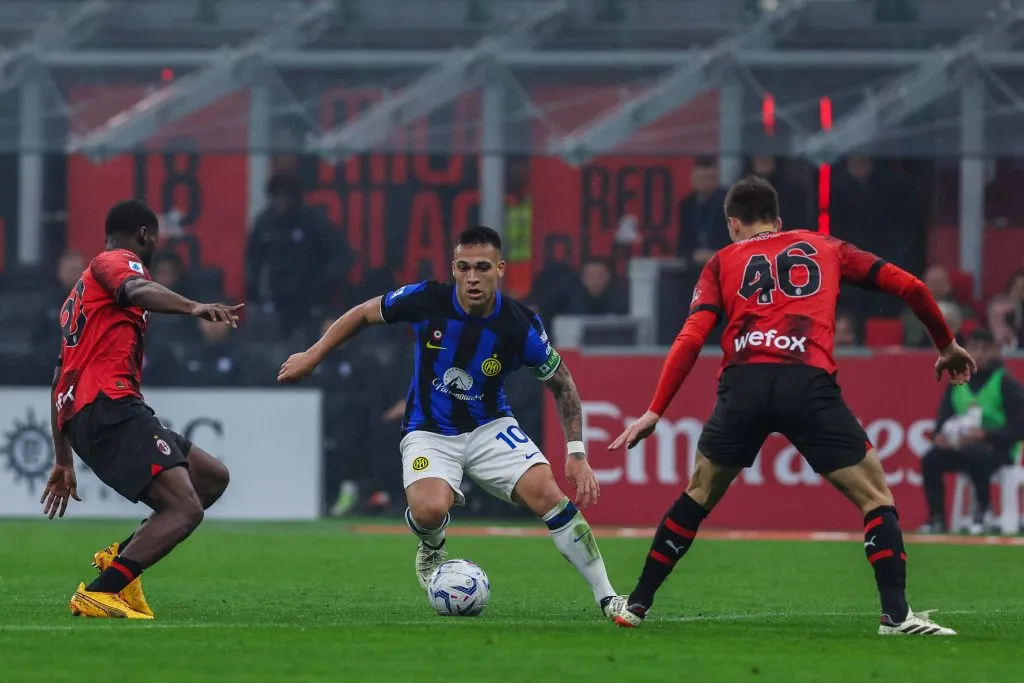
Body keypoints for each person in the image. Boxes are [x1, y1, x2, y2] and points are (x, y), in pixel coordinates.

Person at [605, 176, 975, 636]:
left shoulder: (722, 262)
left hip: (744, 386)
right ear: (778, 221)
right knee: (875, 496)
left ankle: (636, 605)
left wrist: (655, 410)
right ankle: (896, 617)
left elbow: (692, 337)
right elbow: (912, 287)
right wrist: (946, 344)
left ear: (732, 225)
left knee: (698, 494)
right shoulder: (826, 246)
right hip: (807, 383)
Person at [278, 226, 623, 616]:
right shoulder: (428, 299)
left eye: (482, 267)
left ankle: (608, 596)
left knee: (549, 496)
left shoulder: (520, 324)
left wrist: (576, 453)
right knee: (428, 512)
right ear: (454, 269)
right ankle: (432, 546)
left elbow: (563, 386)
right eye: (464, 267)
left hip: (490, 426)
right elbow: (364, 313)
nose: (473, 277)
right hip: (429, 430)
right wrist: (312, 354)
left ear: (500, 269)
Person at [40, 199, 241, 620]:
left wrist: (63, 458)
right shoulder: (117, 261)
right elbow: (137, 290)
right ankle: (101, 591)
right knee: (185, 509)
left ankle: (122, 558)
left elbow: (59, 377)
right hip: (110, 406)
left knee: (211, 477)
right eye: (155, 240)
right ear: (145, 234)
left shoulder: (76, 297)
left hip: (95, 410)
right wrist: (193, 307)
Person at [919, 327, 1024, 534]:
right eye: (975, 348)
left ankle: (984, 510)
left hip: (999, 449)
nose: (980, 354)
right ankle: (937, 518)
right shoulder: (957, 382)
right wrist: (941, 437)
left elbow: (1019, 426)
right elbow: (943, 419)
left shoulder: (1006, 383)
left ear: (995, 351)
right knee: (930, 459)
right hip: (963, 446)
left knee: (980, 455)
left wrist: (985, 435)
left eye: (986, 349)